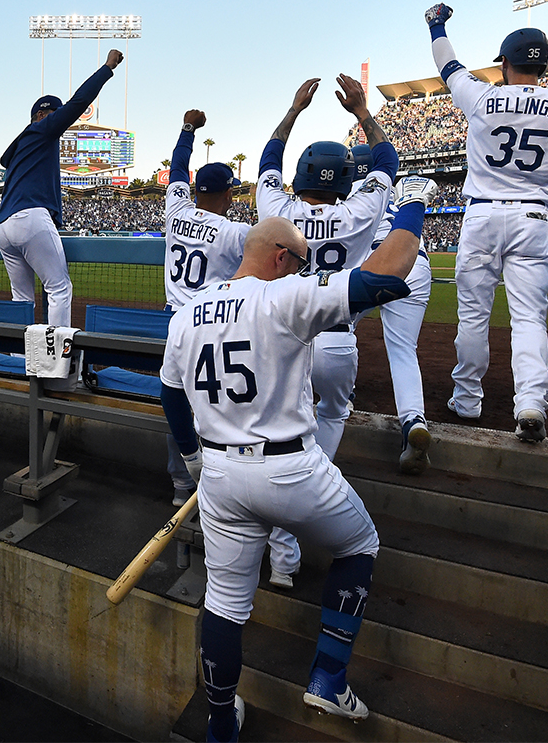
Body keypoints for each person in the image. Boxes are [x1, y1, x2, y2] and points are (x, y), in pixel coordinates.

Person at [160, 176, 434, 742]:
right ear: (280, 256)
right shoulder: (283, 295)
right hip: (290, 469)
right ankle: (329, 679)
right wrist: (411, 206)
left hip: (220, 475)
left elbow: (169, 395)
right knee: (360, 546)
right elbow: (386, 276)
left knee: (225, 606)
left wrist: (191, 459)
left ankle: (219, 724)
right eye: (300, 261)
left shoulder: (186, 315)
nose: (303, 271)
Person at [425, 3, 548, 440]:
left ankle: (466, 400)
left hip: (482, 214)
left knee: (473, 317)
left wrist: (437, 25)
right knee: (528, 320)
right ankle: (530, 404)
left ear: (504, 62)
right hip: (533, 216)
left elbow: (448, 65)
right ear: (542, 64)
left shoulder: (482, 95)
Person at [253, 76, 397, 589]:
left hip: (282, 339)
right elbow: (387, 163)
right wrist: (363, 111)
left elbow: (269, 160)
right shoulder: (359, 211)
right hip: (335, 338)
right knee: (332, 413)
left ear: (303, 176)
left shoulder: (278, 211)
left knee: (275, 433)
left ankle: (281, 556)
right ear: (343, 181)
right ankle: (311, 480)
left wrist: (293, 110)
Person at [0, 50, 123, 328]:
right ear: (41, 114)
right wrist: (107, 68)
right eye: (55, 112)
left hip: (3, 227)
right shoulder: (41, 130)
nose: (61, 118)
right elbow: (78, 103)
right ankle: (56, 362)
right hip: (29, 218)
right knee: (59, 289)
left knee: (22, 299)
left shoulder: (20, 147)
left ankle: (21, 358)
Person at [163, 108, 249, 507]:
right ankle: (215, 488)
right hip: (208, 325)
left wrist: (187, 129)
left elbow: (179, 164)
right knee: (213, 403)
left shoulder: (176, 210)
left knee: (176, 401)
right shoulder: (234, 233)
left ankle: (182, 486)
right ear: (229, 193)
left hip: (173, 323)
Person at [353, 144, 435, 474]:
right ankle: (414, 421)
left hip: (373, 264)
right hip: (415, 265)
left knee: (336, 329)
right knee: (403, 351)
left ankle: (340, 396)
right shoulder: (393, 190)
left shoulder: (352, 192)